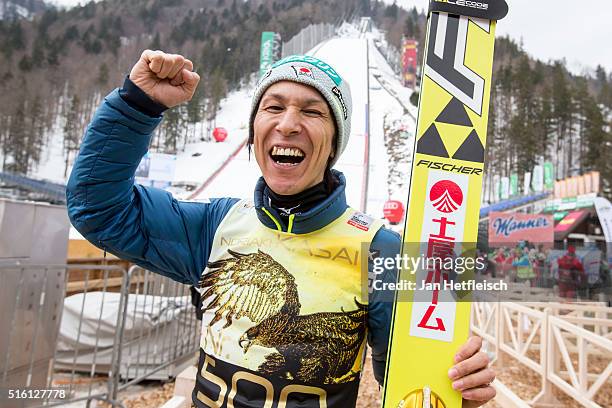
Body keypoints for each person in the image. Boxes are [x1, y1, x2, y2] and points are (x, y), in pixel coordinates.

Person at [66, 50, 495, 407]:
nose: (288, 123)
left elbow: (410, 386)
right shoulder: (218, 225)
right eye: (273, 107)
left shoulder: (381, 247)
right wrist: (136, 106)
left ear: (333, 143)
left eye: (312, 111)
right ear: (254, 132)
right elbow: (98, 210)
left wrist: (458, 391)